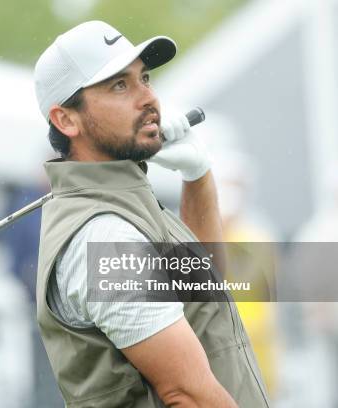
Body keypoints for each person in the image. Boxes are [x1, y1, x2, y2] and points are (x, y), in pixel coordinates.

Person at [33, 21, 269, 407]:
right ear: (66, 120)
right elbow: (188, 394)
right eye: (119, 85)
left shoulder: (126, 205)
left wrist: (197, 176)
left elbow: (203, 295)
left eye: (145, 78)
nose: (148, 98)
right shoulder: (105, 237)